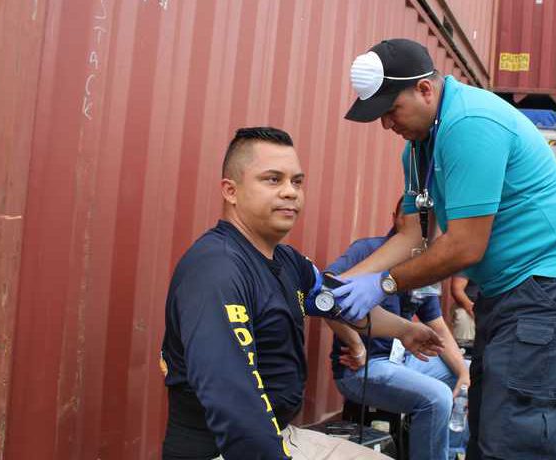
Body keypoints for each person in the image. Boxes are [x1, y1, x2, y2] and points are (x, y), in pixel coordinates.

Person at [332, 39, 556, 460]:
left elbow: (464, 247)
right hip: (507, 289)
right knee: (488, 427)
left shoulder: (470, 123)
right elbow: (413, 235)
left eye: (391, 110)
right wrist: (344, 283)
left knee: (516, 436)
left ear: (425, 89)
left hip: (552, 285)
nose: (386, 124)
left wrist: (383, 283)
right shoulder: (418, 149)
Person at [159, 127, 443, 460]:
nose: (290, 192)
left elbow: (339, 303)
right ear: (230, 191)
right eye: (272, 180)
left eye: (297, 182)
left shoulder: (288, 261)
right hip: (227, 448)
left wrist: (405, 330)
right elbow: (231, 399)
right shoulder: (217, 269)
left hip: (280, 433)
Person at [327, 198, 469, 460]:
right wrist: (356, 345)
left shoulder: (423, 266)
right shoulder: (367, 250)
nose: (420, 223)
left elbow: (437, 325)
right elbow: (327, 297)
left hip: (403, 360)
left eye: (426, 218)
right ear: (395, 218)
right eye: (410, 215)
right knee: (438, 397)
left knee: (472, 372)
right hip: (363, 367)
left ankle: (452, 453)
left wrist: (463, 373)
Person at [450, 275, 477, 343]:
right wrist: (474, 311)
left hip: (494, 310)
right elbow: (457, 289)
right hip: (468, 309)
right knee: (463, 317)